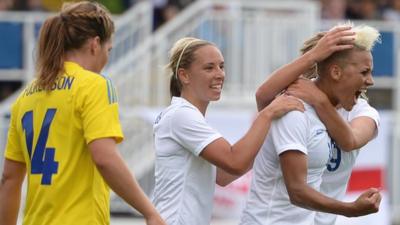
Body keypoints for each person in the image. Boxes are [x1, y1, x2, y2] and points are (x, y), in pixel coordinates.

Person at [0, 1, 165, 225]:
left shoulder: (25, 96)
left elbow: (10, 180)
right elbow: (105, 157)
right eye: (109, 50)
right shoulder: (94, 85)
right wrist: (150, 212)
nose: (107, 59)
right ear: (95, 44)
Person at [152, 37, 305, 225]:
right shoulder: (181, 115)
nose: (220, 74)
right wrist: (268, 113)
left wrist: (272, 134)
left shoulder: (186, 115)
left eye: (221, 67)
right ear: (184, 76)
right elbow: (235, 162)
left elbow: (223, 176)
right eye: (209, 68)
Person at [239, 24, 382, 225]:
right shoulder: (293, 109)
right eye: (365, 72)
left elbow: (350, 140)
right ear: (335, 72)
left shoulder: (362, 111)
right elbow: (297, 191)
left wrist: (320, 101)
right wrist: (350, 210)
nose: (371, 81)